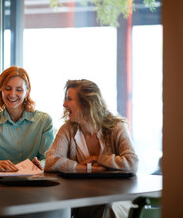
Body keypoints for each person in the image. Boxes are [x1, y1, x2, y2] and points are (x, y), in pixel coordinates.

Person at [45, 79, 138, 218]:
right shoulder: (68, 129)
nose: (64, 104)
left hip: (116, 199)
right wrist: (81, 168)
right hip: (83, 201)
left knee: (108, 208)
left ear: (86, 103)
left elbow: (132, 163)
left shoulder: (116, 127)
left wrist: (99, 159)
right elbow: (50, 161)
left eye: (69, 99)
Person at [0, 66, 54, 171]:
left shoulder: (44, 121)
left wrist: (40, 164)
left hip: (34, 181)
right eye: (7, 88)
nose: (12, 94)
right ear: (0, 90)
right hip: (0, 182)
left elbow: (49, 159)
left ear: (27, 92)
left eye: (19, 90)